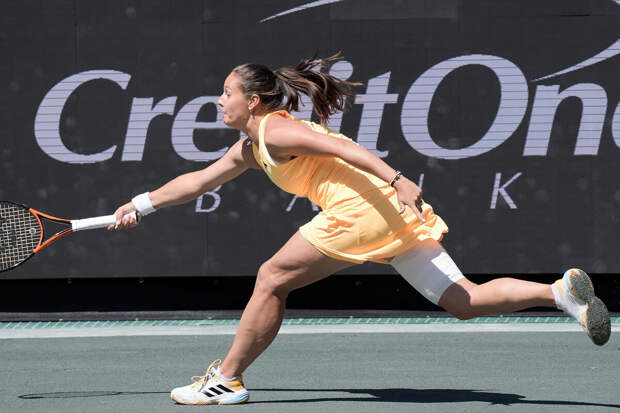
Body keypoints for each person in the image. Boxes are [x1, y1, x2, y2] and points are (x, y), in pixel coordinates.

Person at [109, 52, 611, 406]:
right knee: (464, 300)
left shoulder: (276, 130)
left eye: (227, 93)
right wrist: (139, 205)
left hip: (362, 209)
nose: (219, 101)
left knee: (271, 277)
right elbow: (198, 181)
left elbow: (344, 148)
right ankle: (560, 293)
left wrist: (398, 178)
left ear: (254, 101)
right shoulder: (251, 146)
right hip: (389, 213)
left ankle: (227, 379)